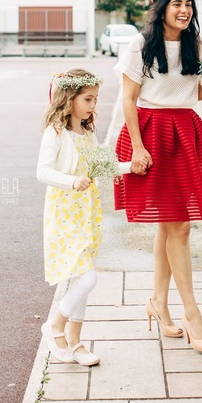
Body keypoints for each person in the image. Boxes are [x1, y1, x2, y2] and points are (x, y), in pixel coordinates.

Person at [114, 0, 202, 353]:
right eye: (177, 3)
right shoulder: (141, 45)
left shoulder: (196, 44)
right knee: (180, 226)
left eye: (189, 4)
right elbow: (129, 99)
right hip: (151, 134)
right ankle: (192, 314)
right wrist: (137, 150)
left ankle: (158, 303)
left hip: (185, 132)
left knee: (172, 224)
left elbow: (195, 91)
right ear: (162, 7)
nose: (184, 10)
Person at [37, 68, 129, 366]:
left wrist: (130, 167)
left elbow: (100, 167)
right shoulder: (56, 132)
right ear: (69, 98)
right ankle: (54, 326)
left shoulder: (87, 132)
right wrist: (71, 180)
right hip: (64, 213)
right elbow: (42, 171)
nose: (93, 105)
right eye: (88, 99)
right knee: (87, 279)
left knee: (81, 277)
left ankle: (76, 343)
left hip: (87, 213)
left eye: (95, 99)